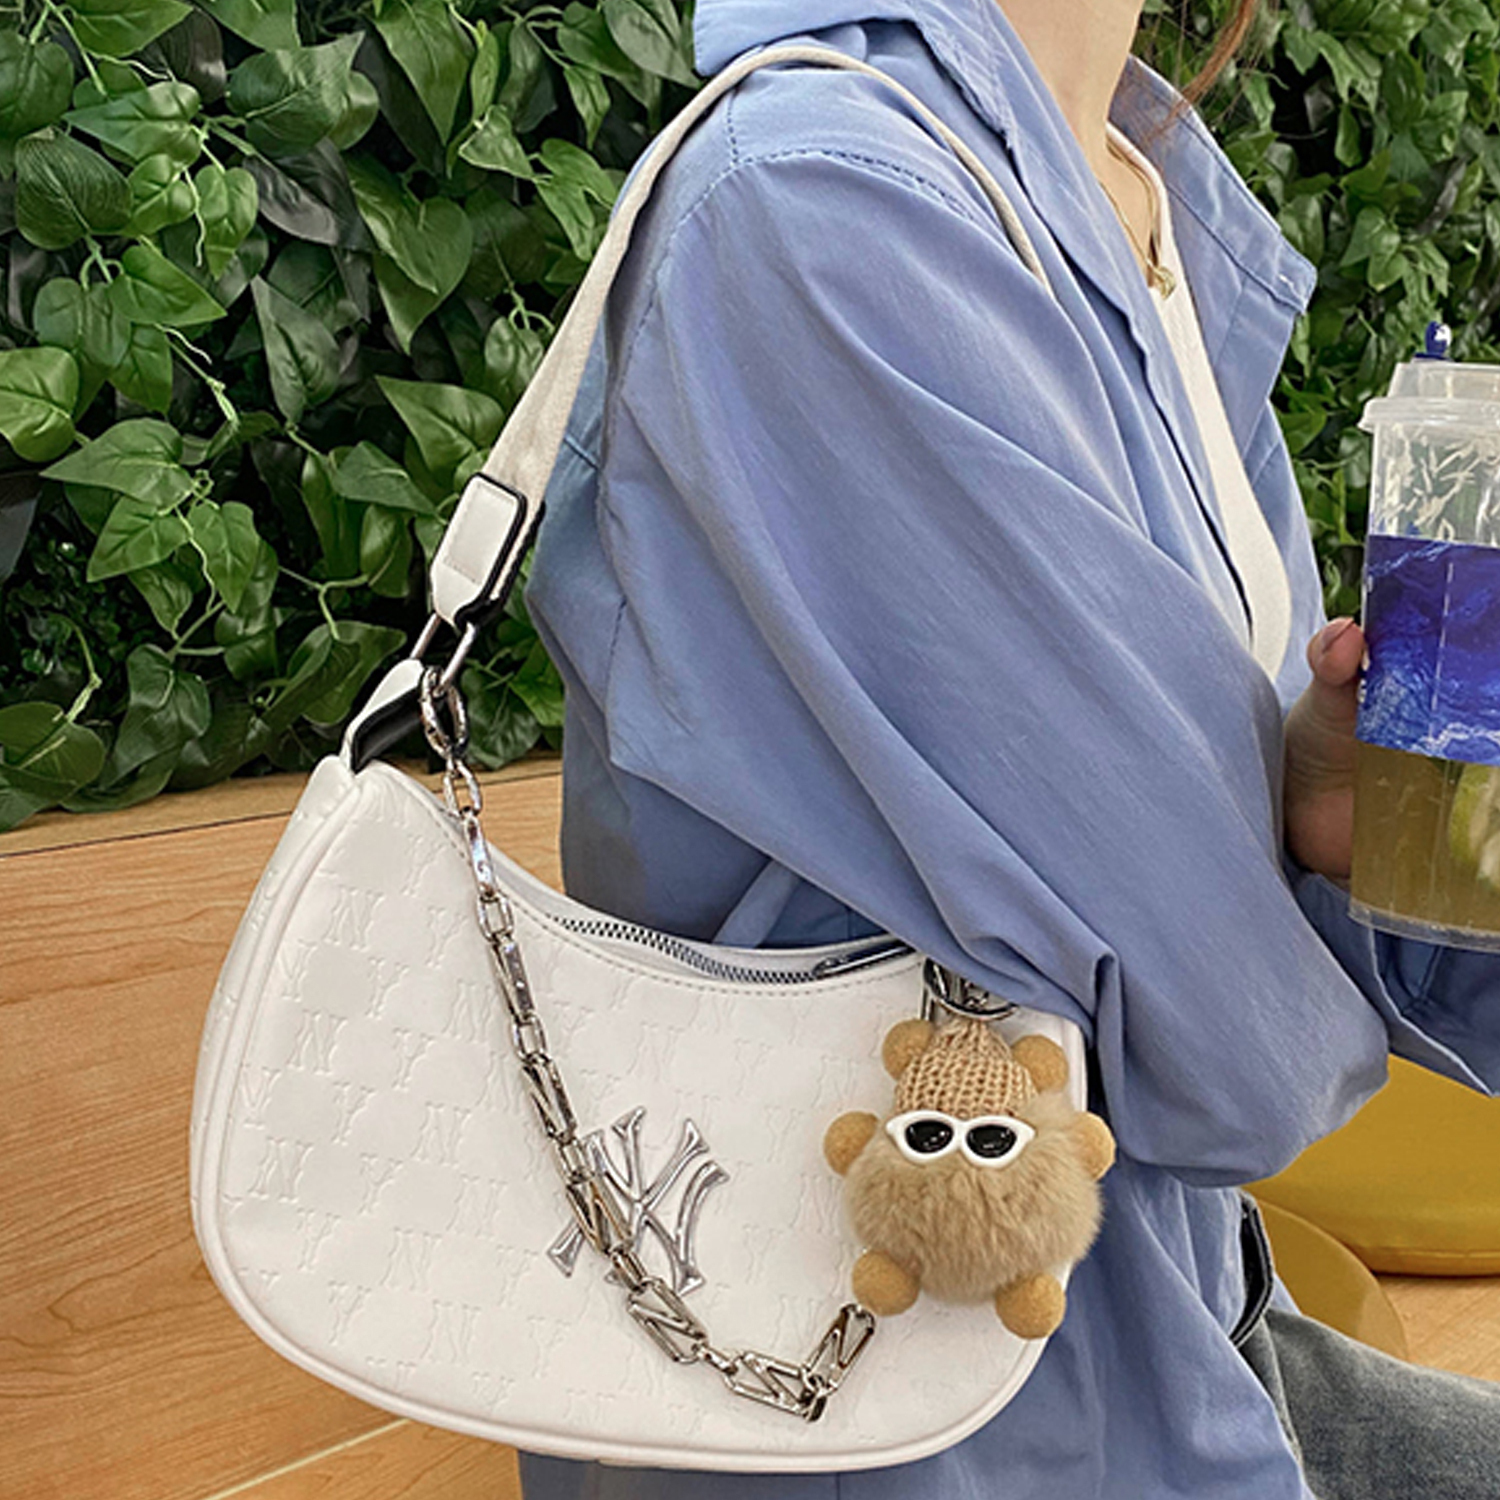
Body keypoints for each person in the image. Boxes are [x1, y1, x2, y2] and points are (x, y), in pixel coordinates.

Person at [517, 0, 1500, 1494]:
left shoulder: (1135, 203)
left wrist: (1318, 813)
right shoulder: (827, 209)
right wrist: (1287, 915)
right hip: (903, 1416)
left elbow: (1216, 913)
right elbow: (1236, 1050)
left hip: (1184, 1332)